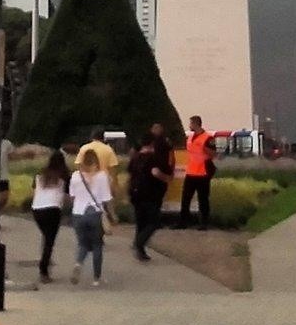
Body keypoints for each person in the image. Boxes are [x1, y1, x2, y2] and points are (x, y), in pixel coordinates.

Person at [69, 147, 116, 286]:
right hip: (95, 213)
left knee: (83, 244)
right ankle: (96, 278)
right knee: (97, 245)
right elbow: (107, 198)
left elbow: (72, 196)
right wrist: (112, 215)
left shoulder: (75, 176)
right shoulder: (102, 176)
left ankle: (78, 263)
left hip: (78, 213)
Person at [127, 129, 172, 261]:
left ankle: (140, 250)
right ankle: (139, 243)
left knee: (141, 221)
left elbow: (130, 173)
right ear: (153, 143)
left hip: (135, 193)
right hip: (150, 193)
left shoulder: (135, 158)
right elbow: (157, 173)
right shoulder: (154, 159)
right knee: (154, 222)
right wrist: (165, 178)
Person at [30, 150, 69, 283]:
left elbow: (34, 191)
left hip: (37, 209)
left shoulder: (40, 174)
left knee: (46, 237)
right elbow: (67, 195)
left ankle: (45, 260)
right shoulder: (63, 176)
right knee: (49, 240)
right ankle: (43, 269)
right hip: (53, 209)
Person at [178, 115, 215, 229]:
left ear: (196, 124)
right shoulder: (190, 137)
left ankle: (204, 223)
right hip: (191, 172)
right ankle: (183, 222)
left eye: (191, 123)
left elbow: (213, 154)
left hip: (203, 172)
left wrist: (205, 149)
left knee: (203, 199)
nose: (189, 126)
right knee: (185, 198)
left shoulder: (208, 138)